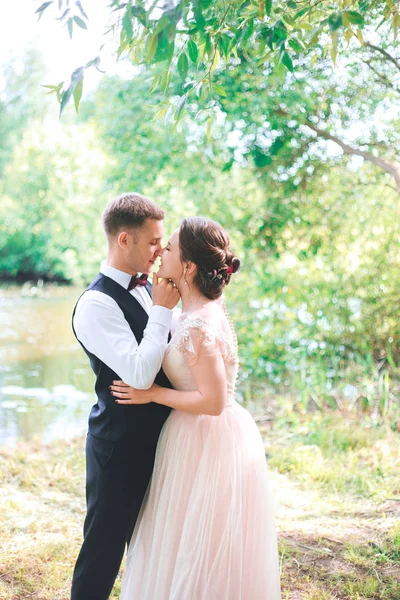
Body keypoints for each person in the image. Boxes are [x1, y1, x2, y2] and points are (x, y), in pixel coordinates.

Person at [111, 216, 281, 599]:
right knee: (178, 535)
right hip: (191, 432)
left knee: (201, 538)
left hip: (207, 437)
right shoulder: (188, 313)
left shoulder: (200, 324)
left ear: (187, 266)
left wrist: (152, 394)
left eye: (168, 248)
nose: (161, 254)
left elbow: (215, 401)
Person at [70, 192, 180, 600]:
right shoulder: (95, 304)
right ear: (124, 241)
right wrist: (164, 309)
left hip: (163, 443)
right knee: (103, 552)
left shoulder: (149, 289)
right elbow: (137, 370)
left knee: (153, 548)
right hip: (118, 450)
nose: (160, 250)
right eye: (153, 242)